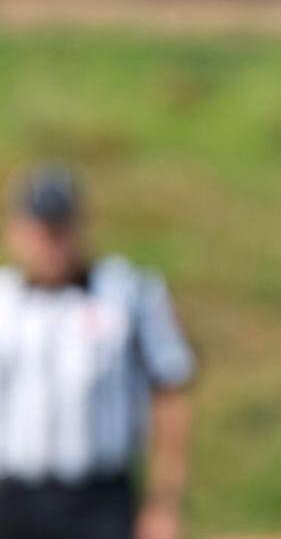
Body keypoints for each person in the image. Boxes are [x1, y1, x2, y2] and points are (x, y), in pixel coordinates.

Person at [0, 165, 196, 539]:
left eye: (60, 230)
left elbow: (170, 394)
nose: (50, 243)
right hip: (14, 497)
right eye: (41, 231)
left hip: (99, 500)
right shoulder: (4, 301)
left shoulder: (127, 293)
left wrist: (164, 502)